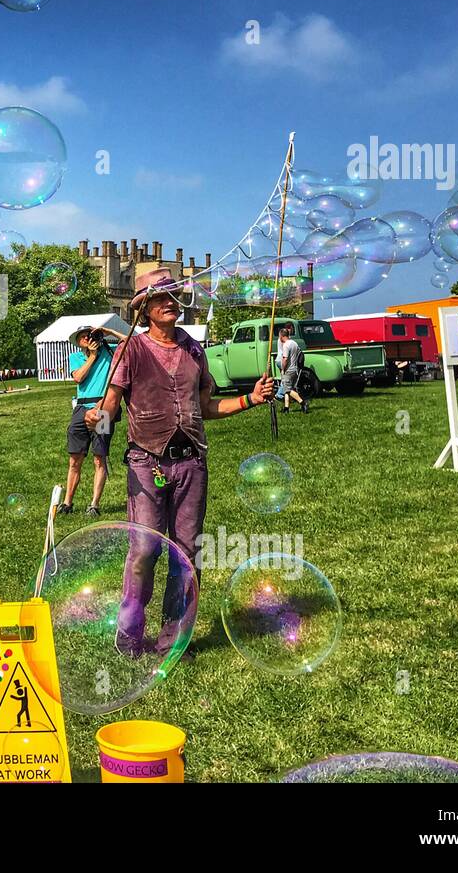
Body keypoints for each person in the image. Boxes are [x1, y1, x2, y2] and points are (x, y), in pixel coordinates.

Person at [86, 270, 274, 658]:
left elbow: (206, 407)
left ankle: (174, 641)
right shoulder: (131, 351)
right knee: (143, 551)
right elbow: (110, 407)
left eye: (173, 296)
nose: (170, 302)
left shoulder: (193, 350)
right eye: (160, 298)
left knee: (186, 554)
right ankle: (130, 637)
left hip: (191, 464)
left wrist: (250, 399)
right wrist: (96, 419)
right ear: (144, 309)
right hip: (145, 462)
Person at [61, 324, 123, 517]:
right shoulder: (75, 358)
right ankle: (67, 502)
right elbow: (78, 378)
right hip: (81, 408)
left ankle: (94, 504)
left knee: (99, 457)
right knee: (75, 458)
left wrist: (110, 332)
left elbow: (133, 343)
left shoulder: (109, 351)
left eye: (91, 335)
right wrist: (93, 357)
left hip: (104, 408)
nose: (88, 339)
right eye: (83, 337)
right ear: (78, 342)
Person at [276, 324, 309, 414]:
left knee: (288, 390)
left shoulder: (286, 345)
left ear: (282, 336)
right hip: (295, 369)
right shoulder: (294, 343)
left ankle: (303, 402)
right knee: (288, 389)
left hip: (289, 370)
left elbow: (285, 358)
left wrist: (283, 369)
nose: (279, 338)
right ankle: (286, 408)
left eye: (279, 336)